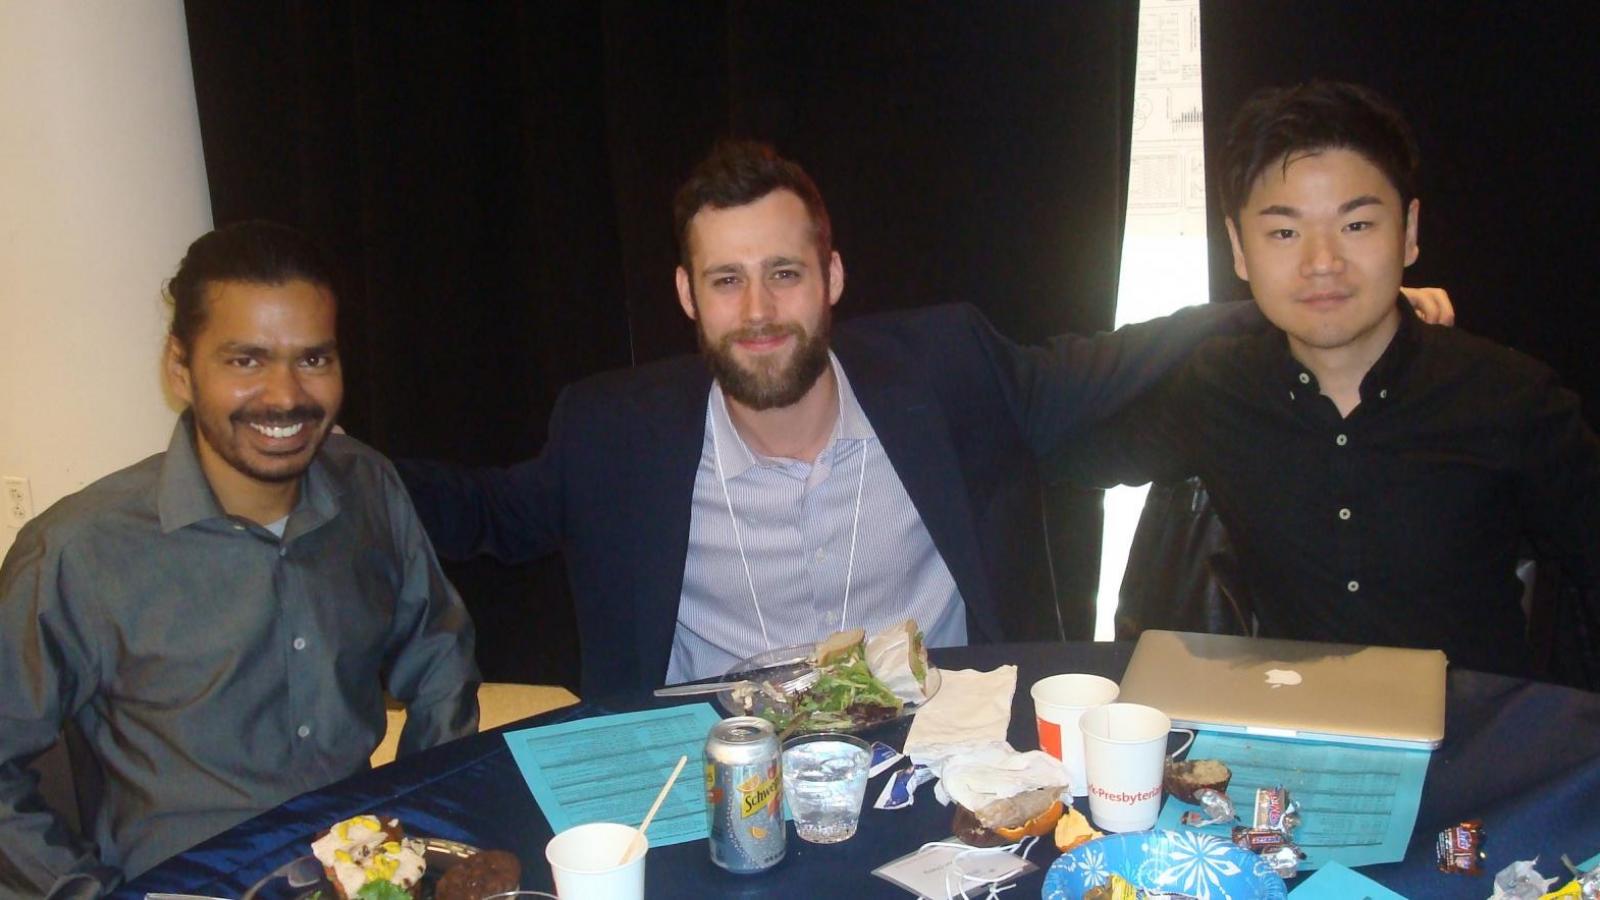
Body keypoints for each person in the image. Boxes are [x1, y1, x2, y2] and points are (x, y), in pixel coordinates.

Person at [398, 140, 1447, 697]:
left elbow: (1123, 358)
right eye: (726, 281)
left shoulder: (946, 369)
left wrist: (1319, 307)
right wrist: (322, 453)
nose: (758, 311)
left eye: (783, 273)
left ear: (831, 278)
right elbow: (480, 514)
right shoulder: (611, 432)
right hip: (712, 780)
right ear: (686, 296)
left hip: (941, 771)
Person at [0, 222, 480, 896]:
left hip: (358, 872)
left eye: (313, 359)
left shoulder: (368, 487)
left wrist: (417, 822)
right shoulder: (80, 550)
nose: (285, 395)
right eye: (246, 360)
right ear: (180, 368)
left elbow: (439, 654)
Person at [1057, 81, 1600, 676]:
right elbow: (1071, 450)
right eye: (1284, 233)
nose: (1322, 263)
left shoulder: (1510, 397)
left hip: (1473, 726)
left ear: (1409, 231)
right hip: (1288, 725)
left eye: (1357, 226)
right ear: (1239, 247)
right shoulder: (1216, 388)